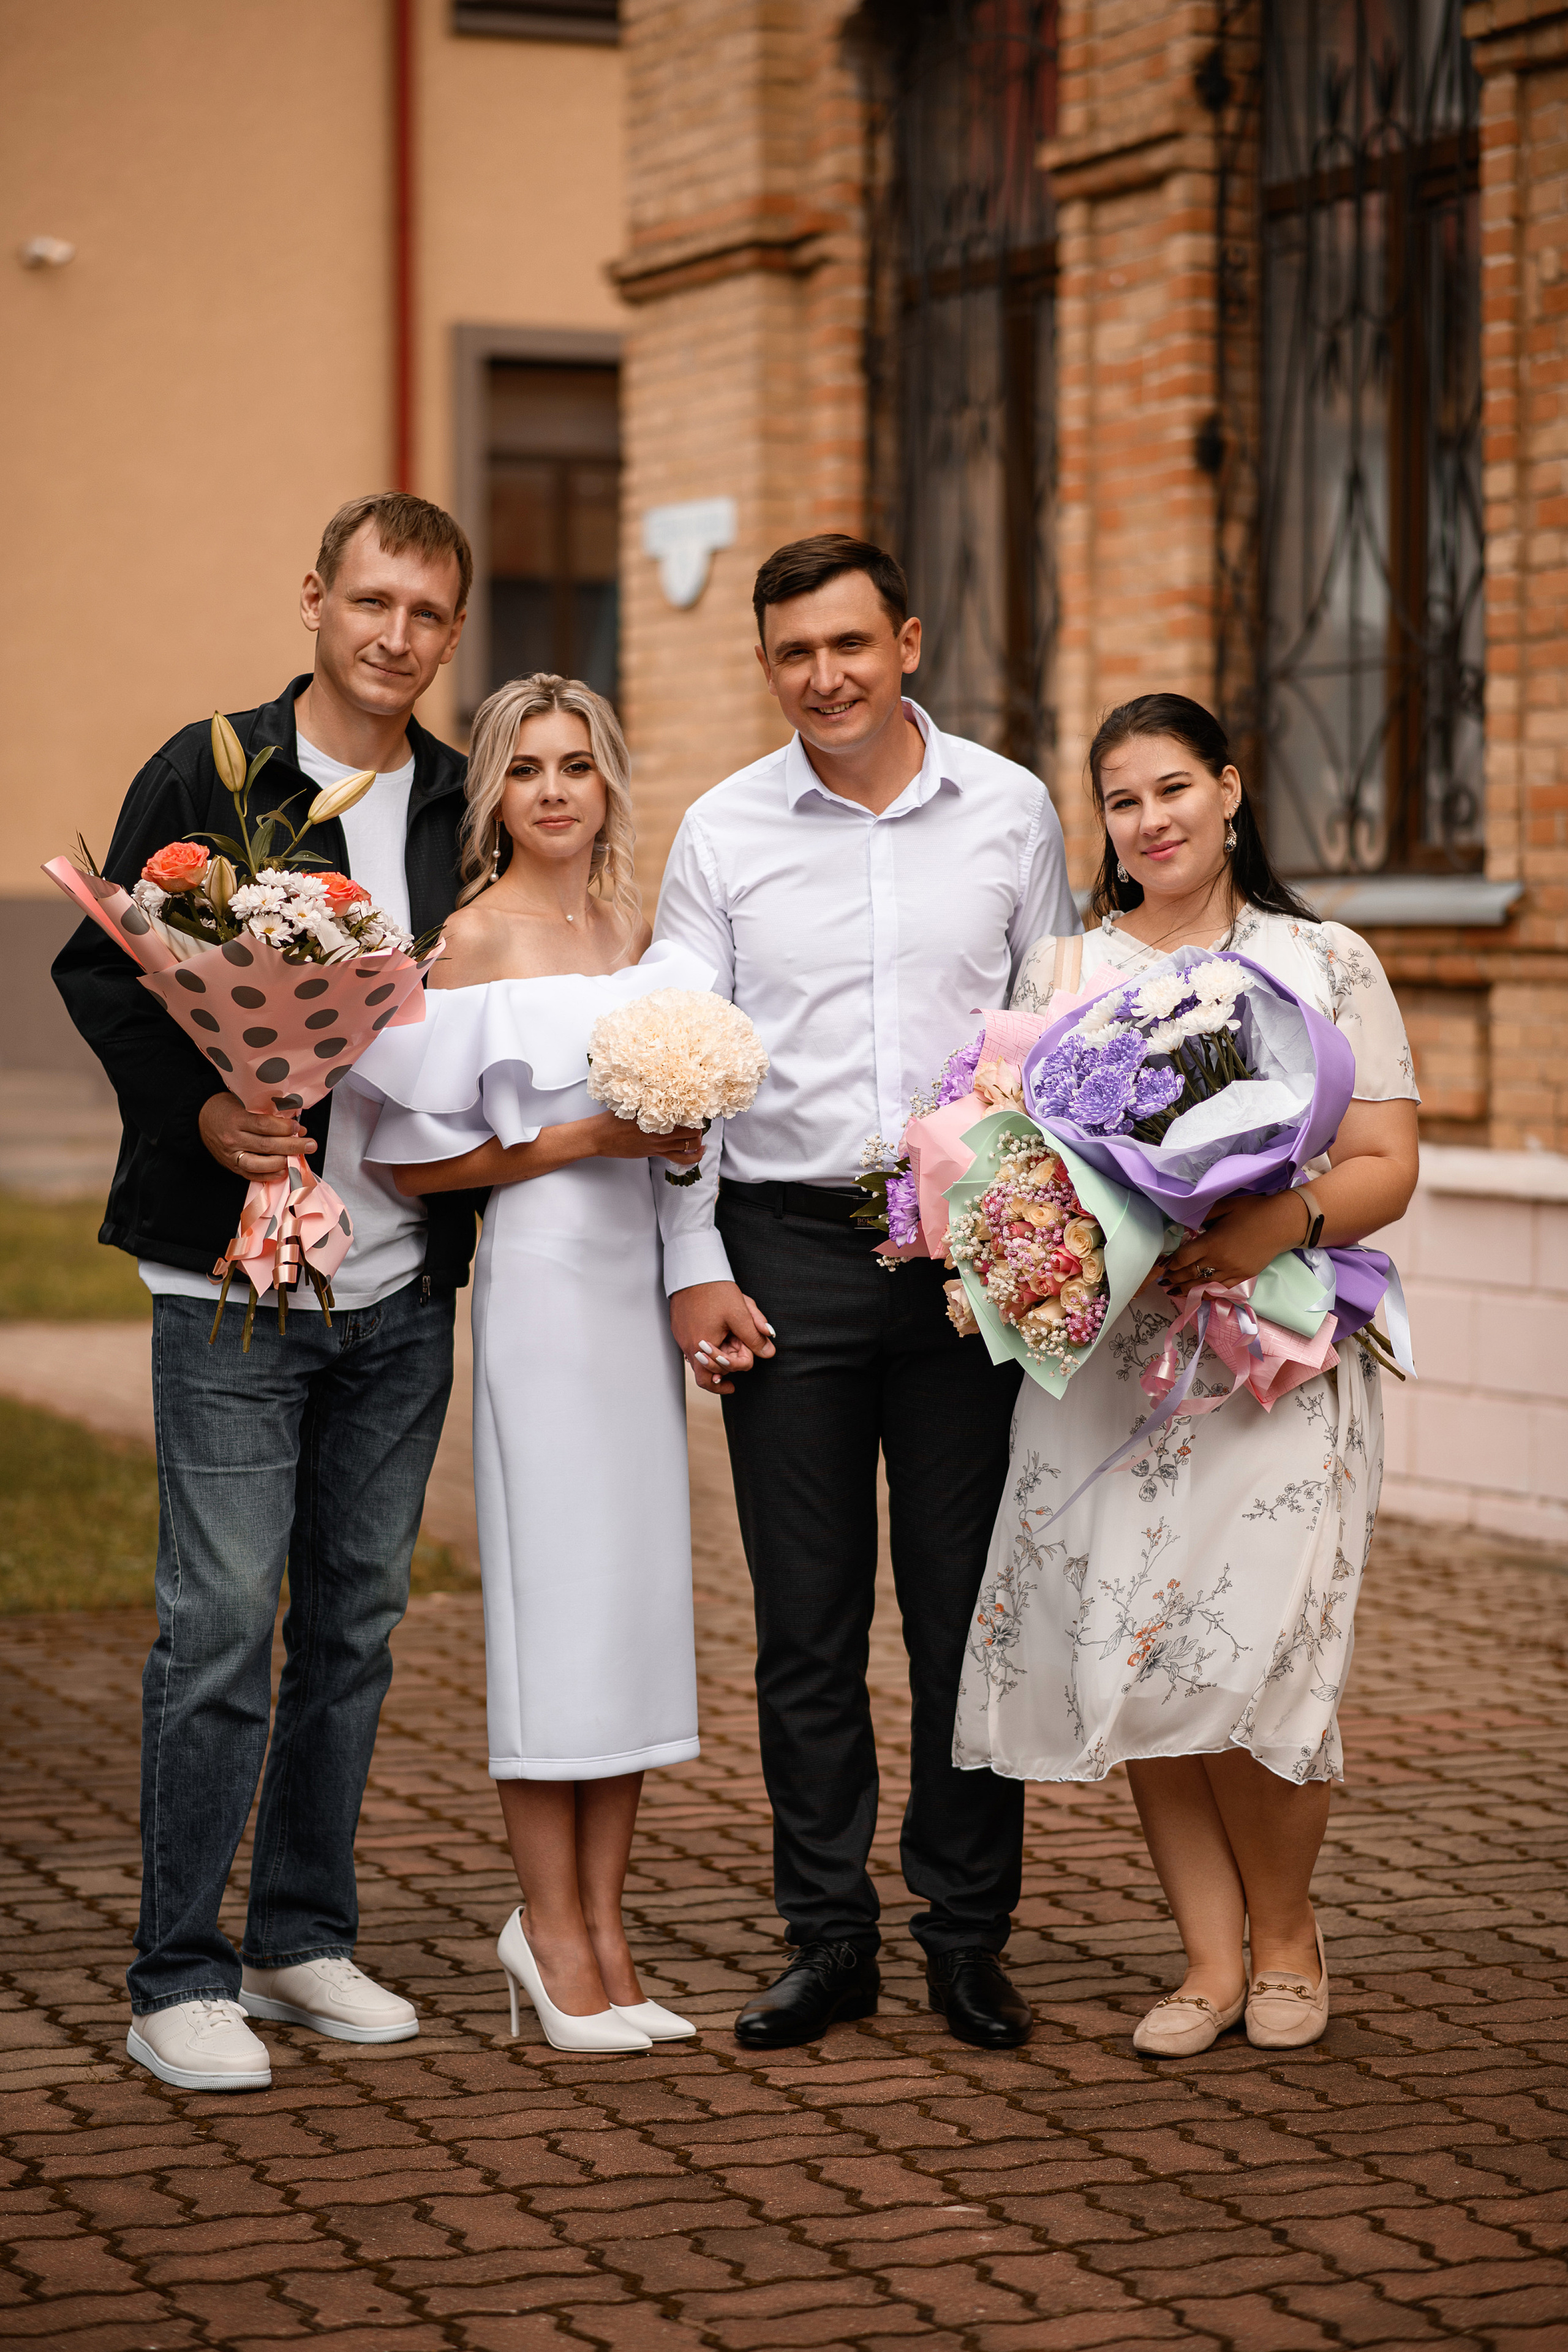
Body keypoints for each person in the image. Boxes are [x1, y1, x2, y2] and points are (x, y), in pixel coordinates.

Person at [53, 492, 485, 2091]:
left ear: (452, 632)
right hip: (225, 1276)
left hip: (396, 1283)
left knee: (356, 1626)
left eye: (427, 613)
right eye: (370, 601)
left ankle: (303, 1940)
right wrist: (205, 1115)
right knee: (223, 1625)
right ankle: (178, 1974)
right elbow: (110, 964)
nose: (394, 635)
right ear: (315, 599)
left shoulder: (460, 799)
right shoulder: (214, 770)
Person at [654, 533, 1077, 2051]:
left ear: (905, 640)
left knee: (966, 1613)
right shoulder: (718, 833)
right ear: (765, 665)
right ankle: (826, 1938)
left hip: (968, 1261)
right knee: (805, 1622)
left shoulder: (1012, 809)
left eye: (847, 644)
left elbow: (1062, 1031)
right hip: (782, 1249)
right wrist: (693, 1261)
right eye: (790, 654)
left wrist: (1045, 1243)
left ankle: (967, 1937)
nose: (821, 676)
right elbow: (674, 1068)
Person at [956, 692, 1420, 2056]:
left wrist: (1259, 1228)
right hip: (1116, 1363)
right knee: (1143, 1647)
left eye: (1170, 789)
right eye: (1118, 800)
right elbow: (1012, 1170)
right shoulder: (1061, 977)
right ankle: (1207, 1962)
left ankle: (1286, 1937)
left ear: (1227, 790)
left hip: (1273, 1356)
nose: (1147, 820)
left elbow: (1386, 1165)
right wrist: (1033, 1244)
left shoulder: (1321, 957)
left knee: (1265, 1650)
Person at [353, 674, 711, 2054]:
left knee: (628, 1612)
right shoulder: (470, 943)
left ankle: (609, 1940)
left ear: (609, 781)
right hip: (544, 1290)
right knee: (553, 1607)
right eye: (527, 769)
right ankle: (544, 1935)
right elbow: (405, 1152)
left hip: (637, 1293)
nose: (554, 790)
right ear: (492, 792)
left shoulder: (639, 934)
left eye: (577, 765)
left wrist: (678, 1141)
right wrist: (578, 1143)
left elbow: (679, 1124)